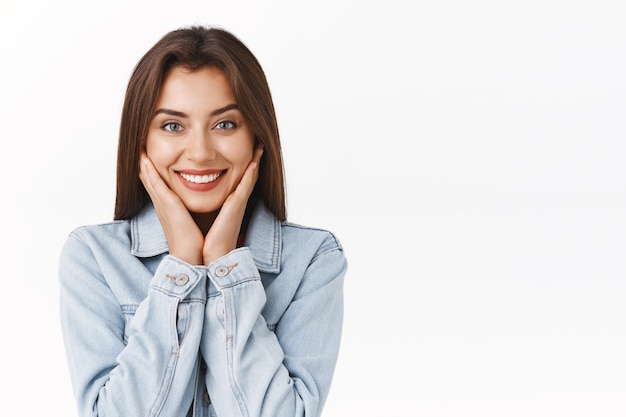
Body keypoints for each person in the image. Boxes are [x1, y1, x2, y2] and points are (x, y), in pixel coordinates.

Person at [59, 25, 347, 417]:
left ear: (256, 137)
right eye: (173, 126)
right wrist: (181, 266)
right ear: (141, 141)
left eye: (225, 124)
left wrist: (225, 268)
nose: (199, 152)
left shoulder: (313, 258)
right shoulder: (93, 257)